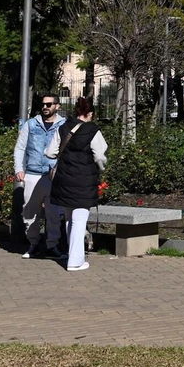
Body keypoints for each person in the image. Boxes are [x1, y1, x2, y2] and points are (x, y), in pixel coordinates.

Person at [46, 99, 108, 272]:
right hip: (84, 181)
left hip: (64, 179)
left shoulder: (63, 127)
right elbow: (100, 155)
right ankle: (75, 261)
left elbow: (50, 152)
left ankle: (72, 254)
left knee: (69, 219)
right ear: (90, 114)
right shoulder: (92, 130)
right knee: (80, 220)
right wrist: (100, 167)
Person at [12, 95, 65, 259]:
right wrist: (19, 168)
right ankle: (33, 243)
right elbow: (20, 147)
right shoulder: (31, 124)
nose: (45, 107)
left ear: (57, 106)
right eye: (43, 104)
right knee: (29, 211)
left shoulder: (63, 125)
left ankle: (52, 246)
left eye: (49, 104)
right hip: (33, 174)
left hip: (53, 176)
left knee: (54, 214)